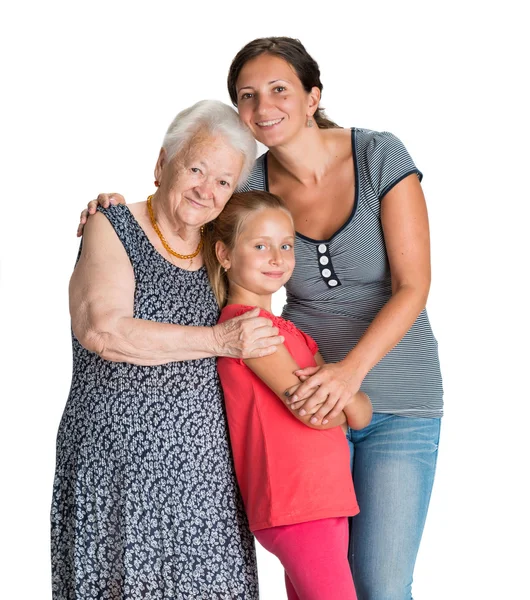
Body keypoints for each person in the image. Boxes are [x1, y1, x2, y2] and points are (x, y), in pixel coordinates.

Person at [78, 37, 443, 600]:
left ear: (312, 96)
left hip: (390, 395)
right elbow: (188, 200)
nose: (263, 105)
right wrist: (115, 209)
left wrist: (348, 375)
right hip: (302, 390)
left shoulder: (378, 156)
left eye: (279, 89)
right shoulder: (248, 183)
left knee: (381, 583)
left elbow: (414, 285)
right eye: (247, 95)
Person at [51, 99, 289, 600]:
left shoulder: (222, 249)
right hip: (115, 472)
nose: (206, 189)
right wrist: (217, 342)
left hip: (207, 483)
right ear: (163, 165)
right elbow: (103, 330)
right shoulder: (111, 226)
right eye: (196, 168)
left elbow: (279, 277)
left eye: (224, 181)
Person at [203, 190, 372, 600]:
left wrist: (343, 397)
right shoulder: (248, 329)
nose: (277, 258)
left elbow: (363, 414)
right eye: (260, 246)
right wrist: (342, 394)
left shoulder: (290, 331)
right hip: (296, 501)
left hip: (323, 499)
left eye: (285, 245)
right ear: (224, 254)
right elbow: (319, 414)